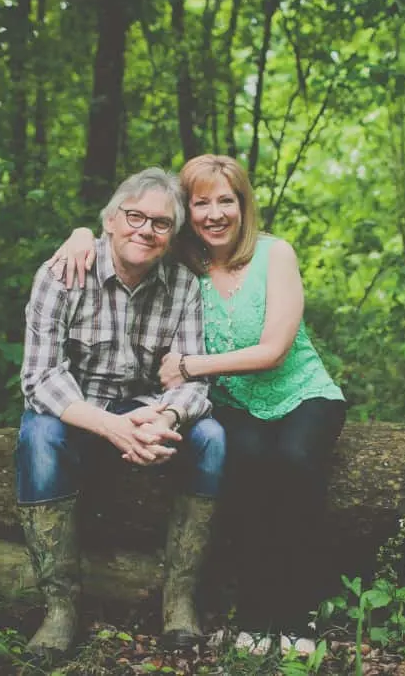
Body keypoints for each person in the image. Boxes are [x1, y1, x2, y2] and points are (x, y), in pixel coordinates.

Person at [52, 154, 346, 635]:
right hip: (233, 403)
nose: (215, 214)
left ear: (243, 205)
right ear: (188, 211)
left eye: (226, 201)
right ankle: (253, 615)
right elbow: (128, 232)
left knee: (293, 464)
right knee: (245, 467)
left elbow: (273, 350)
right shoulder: (180, 266)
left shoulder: (276, 255)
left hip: (301, 394)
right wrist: (81, 235)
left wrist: (190, 365)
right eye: (201, 203)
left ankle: (297, 617)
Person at [17, 167, 226, 654]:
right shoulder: (62, 274)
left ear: (171, 236)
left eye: (159, 223)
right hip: (76, 407)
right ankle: (60, 608)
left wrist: (166, 418)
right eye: (135, 216)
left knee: (212, 438)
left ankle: (179, 600)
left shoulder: (183, 287)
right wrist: (112, 427)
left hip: (147, 409)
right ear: (109, 221)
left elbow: (193, 380)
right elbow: (39, 378)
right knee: (38, 438)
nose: (145, 230)